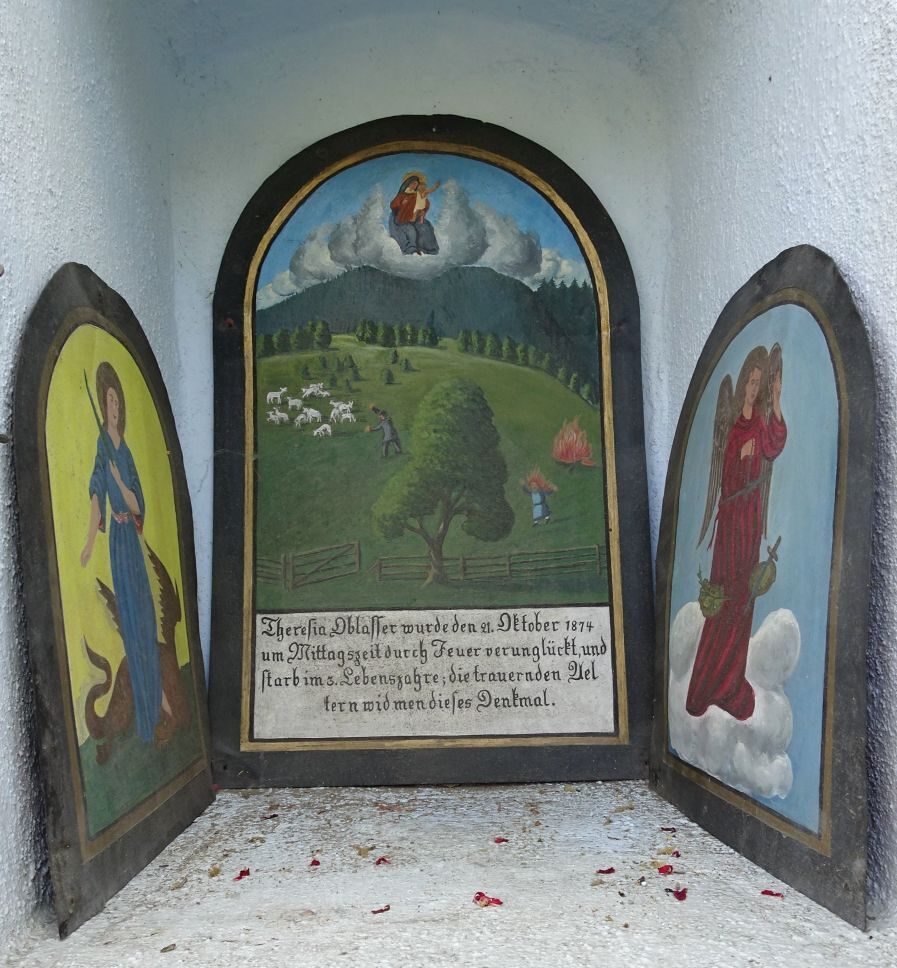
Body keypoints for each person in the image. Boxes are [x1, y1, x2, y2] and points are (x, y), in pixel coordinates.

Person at [686, 345, 786, 720]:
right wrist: (741, 454)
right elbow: (725, 473)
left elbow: (775, 443)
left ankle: (729, 685)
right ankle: (705, 686)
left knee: (744, 599)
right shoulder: (733, 426)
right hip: (731, 521)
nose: (755, 389)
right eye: (752, 382)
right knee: (726, 596)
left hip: (750, 518)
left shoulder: (760, 423)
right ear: (743, 382)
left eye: (760, 384)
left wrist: (777, 399)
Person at [80, 362, 172, 744]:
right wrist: (89, 541)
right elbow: (95, 495)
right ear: (103, 406)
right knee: (132, 627)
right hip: (117, 542)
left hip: (131, 541)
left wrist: (121, 481)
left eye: (117, 400)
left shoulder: (126, 451)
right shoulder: (102, 447)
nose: (114, 406)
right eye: (109, 400)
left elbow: (138, 505)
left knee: (146, 620)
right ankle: (148, 716)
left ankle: (159, 699)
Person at [389, 172, 440, 255]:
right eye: (412, 183)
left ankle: (430, 250)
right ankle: (411, 250)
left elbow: (426, 204)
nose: (414, 185)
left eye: (416, 184)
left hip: (415, 218)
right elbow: (393, 205)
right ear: (408, 184)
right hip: (403, 219)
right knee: (410, 231)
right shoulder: (402, 195)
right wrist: (402, 203)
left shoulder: (417, 194)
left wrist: (423, 210)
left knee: (426, 227)